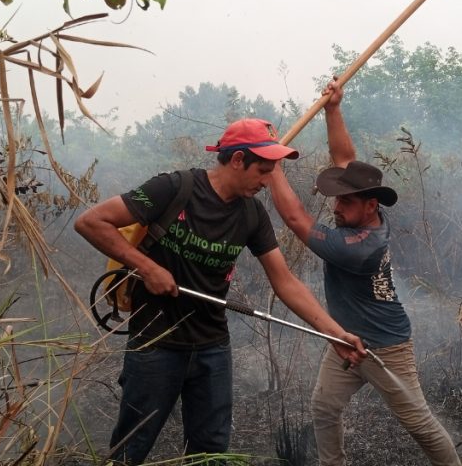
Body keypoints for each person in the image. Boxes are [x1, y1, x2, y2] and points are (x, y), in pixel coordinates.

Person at [74, 118, 365, 465]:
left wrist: (334, 333)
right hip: (155, 344)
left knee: (211, 453)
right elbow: (91, 222)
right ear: (237, 159)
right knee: (131, 448)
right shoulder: (172, 188)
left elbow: (284, 280)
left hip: (212, 347)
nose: (267, 180)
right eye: (263, 170)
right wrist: (147, 267)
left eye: (273, 171)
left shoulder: (252, 215)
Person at [268, 83, 462, 466]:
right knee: (325, 407)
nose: (336, 206)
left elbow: (294, 217)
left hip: (386, 345)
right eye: (339, 198)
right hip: (346, 338)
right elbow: (345, 160)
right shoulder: (368, 212)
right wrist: (333, 109)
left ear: (370, 205)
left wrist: (270, 163)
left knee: (417, 422)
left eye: (346, 201)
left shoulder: (357, 248)